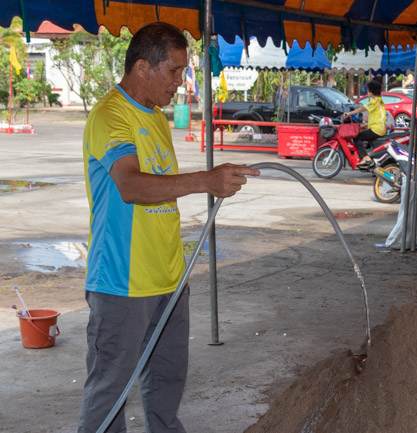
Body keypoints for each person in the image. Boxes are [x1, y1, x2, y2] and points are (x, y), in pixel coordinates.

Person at [78, 22, 259, 433]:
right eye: (175, 71)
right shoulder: (110, 115)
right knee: (109, 393)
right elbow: (131, 185)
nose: (181, 82)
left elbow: (161, 192)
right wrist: (205, 181)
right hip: (123, 282)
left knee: (166, 387)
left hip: (169, 278)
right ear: (143, 67)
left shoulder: (156, 118)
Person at [342, 80, 386, 169]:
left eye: (368, 90)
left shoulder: (374, 101)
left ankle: (366, 159)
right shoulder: (379, 100)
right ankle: (370, 161)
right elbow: (375, 116)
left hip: (376, 129)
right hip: (379, 128)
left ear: (372, 91)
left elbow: (362, 108)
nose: (367, 92)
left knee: (357, 137)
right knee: (364, 137)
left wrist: (349, 113)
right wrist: (365, 124)